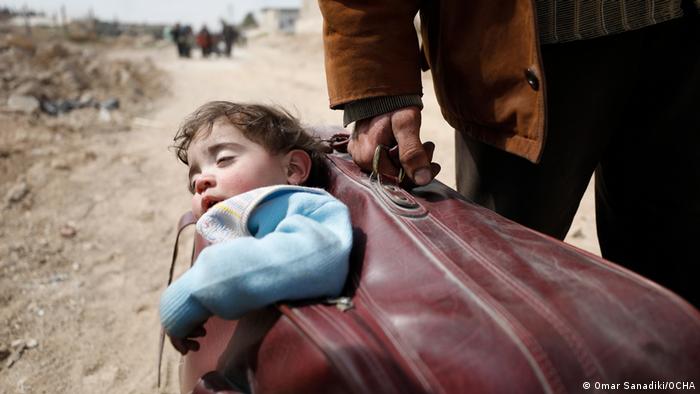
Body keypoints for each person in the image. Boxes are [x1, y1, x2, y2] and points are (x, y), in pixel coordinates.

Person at [318, 1, 699, 306]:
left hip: (683, 33)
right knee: (499, 301)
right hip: (519, 62)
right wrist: (377, 84)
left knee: (678, 300)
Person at [159, 101, 353, 354]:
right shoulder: (246, 214)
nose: (201, 182)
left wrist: (197, 287)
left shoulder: (300, 205)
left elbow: (319, 256)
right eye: (193, 180)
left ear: (292, 169)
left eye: (224, 160)